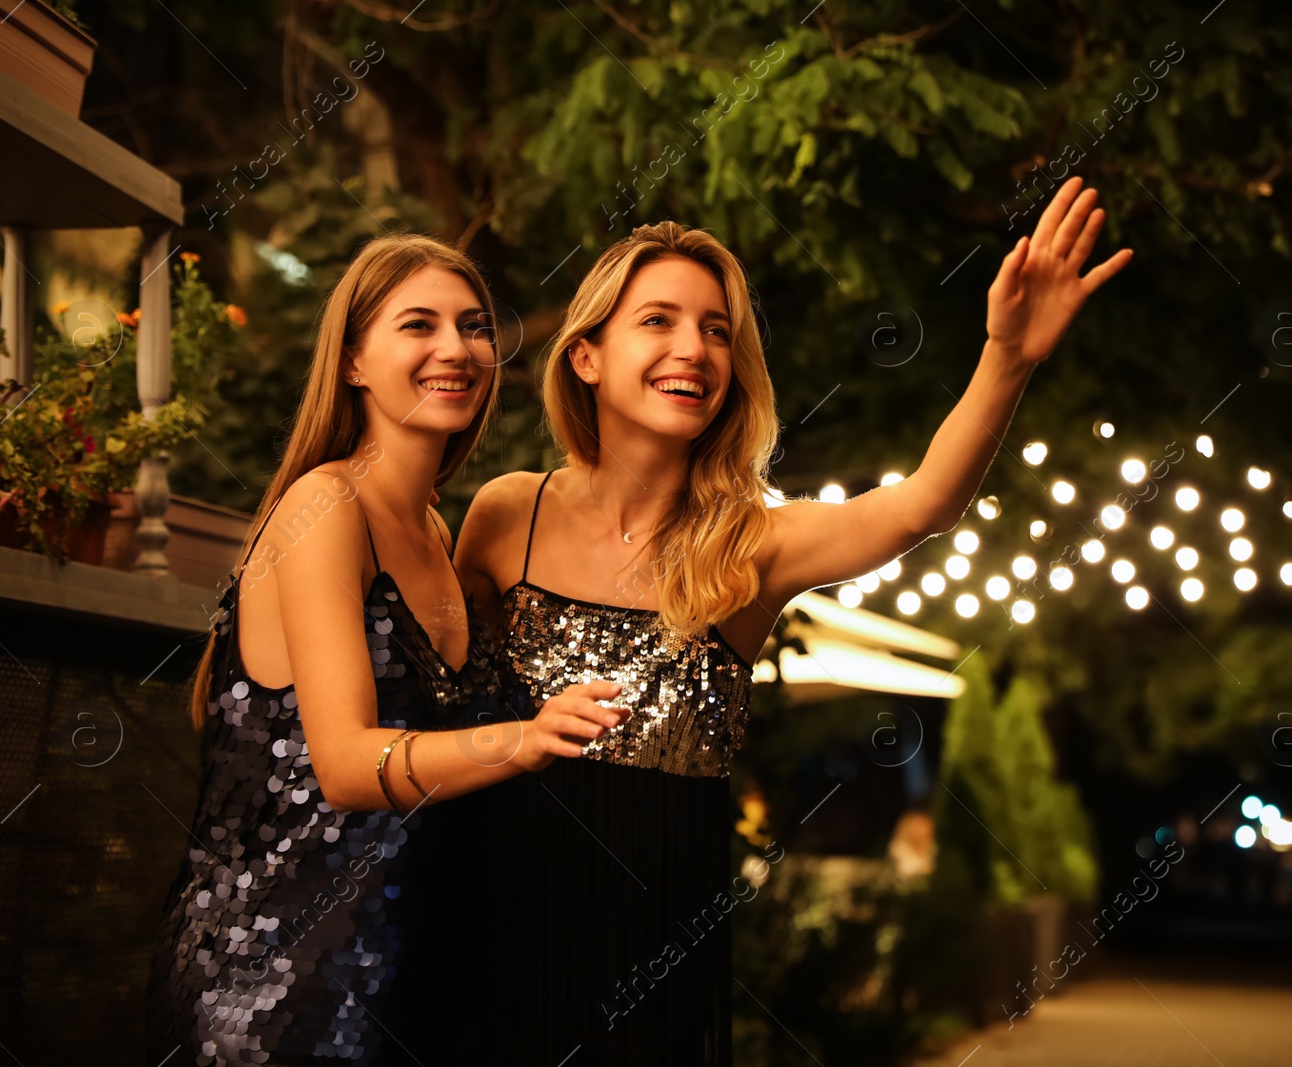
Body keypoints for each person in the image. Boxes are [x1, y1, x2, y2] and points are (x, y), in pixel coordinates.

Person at [450, 176, 1130, 1063]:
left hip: (658, 965)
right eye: (658, 319)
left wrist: (1007, 356)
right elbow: (446, 708)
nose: (692, 347)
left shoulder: (753, 544)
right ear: (586, 355)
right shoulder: (509, 513)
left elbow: (920, 505)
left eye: (716, 329)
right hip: (498, 932)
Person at [146, 233, 630, 1066]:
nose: (456, 348)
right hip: (276, 990)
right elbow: (342, 763)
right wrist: (526, 738)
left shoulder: (440, 534)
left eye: (474, 326)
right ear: (355, 363)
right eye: (419, 324)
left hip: (404, 977)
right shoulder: (326, 505)